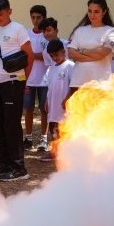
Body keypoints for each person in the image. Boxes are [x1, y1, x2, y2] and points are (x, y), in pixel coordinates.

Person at [0, 0, 33, 182]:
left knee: (11, 125)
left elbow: (28, 57)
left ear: (9, 11)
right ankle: (4, 163)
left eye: (1, 14)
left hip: (13, 82)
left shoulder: (18, 29)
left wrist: (26, 82)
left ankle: (19, 167)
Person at [67, 0, 114, 94]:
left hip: (100, 83)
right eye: (90, 11)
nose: (92, 15)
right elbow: (71, 54)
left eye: (96, 11)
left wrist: (82, 51)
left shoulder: (111, 31)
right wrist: (94, 55)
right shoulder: (80, 30)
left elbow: (103, 53)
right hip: (78, 82)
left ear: (104, 12)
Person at [34, 17, 66, 153]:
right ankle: (53, 149)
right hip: (53, 86)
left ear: (56, 30)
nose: (46, 33)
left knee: (65, 120)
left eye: (49, 30)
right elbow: (51, 68)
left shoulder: (66, 45)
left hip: (65, 86)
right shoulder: (47, 50)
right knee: (52, 118)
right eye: (43, 31)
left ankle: (66, 150)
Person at [40, 38, 74, 164]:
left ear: (63, 51)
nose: (55, 58)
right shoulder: (51, 68)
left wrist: (67, 98)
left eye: (57, 54)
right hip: (53, 104)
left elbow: (72, 85)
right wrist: (47, 101)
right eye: (52, 56)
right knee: (53, 128)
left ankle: (66, 152)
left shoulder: (70, 66)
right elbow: (50, 86)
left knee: (63, 128)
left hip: (64, 104)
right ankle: (54, 151)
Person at [23, 4, 50, 149]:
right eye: (33, 17)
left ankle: (44, 139)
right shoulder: (26, 34)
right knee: (28, 109)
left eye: (38, 17)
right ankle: (28, 137)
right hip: (29, 79)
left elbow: (49, 56)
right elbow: (24, 55)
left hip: (45, 79)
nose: (35, 20)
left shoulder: (47, 35)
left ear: (44, 17)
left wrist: (33, 55)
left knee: (44, 109)